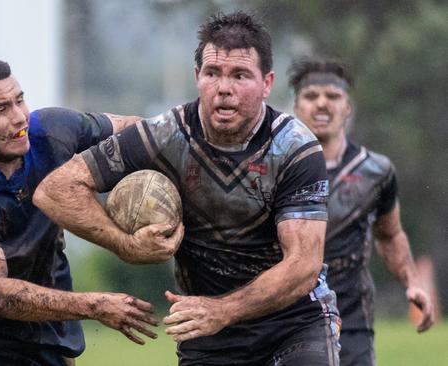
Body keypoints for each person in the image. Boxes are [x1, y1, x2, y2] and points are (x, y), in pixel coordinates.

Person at [34, 12, 341, 365]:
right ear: (198, 77)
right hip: (207, 332)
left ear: (267, 83)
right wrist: (124, 244)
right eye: (213, 74)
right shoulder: (167, 135)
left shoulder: (294, 149)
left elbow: (303, 265)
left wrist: (223, 310)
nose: (224, 88)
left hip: (295, 322)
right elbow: (56, 190)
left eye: (240, 75)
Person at [0, 55, 182, 366]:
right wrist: (94, 305)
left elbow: (134, 131)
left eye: (19, 100)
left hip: (46, 339)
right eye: (1, 110)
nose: (19, 117)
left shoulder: (50, 130)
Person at [288, 57, 435, 365]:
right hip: (289, 321)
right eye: (311, 96)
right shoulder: (277, 169)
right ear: (296, 106)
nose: (322, 104)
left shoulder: (376, 171)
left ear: (347, 107)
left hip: (353, 321)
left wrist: (412, 282)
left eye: (333, 96)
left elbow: (390, 234)